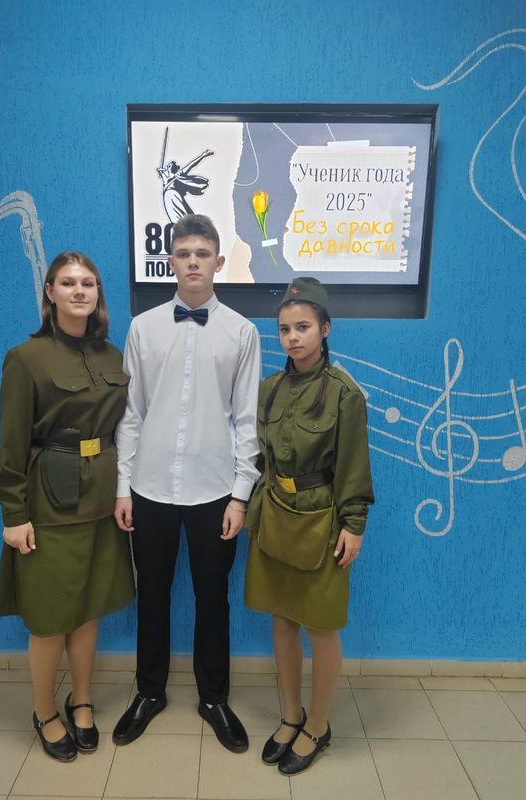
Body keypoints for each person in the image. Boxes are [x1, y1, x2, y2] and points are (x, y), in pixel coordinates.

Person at [112, 213, 261, 753]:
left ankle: (214, 698)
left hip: (215, 490)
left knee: (212, 598)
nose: (193, 262)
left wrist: (240, 496)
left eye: (202, 254)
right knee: (151, 594)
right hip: (149, 487)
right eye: (183, 254)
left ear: (219, 262)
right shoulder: (142, 328)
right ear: (170, 261)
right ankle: (149, 692)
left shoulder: (242, 332)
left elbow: (246, 420)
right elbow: (131, 413)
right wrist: (123, 486)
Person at [0, 251, 135, 762]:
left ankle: (82, 699)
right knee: (51, 615)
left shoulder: (112, 355)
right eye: (68, 283)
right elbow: (11, 443)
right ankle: (44, 711)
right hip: (50, 498)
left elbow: (124, 426)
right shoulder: (26, 358)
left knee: (89, 606)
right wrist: (14, 514)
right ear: (49, 292)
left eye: (88, 283)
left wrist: (125, 489)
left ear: (98, 294)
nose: (79, 291)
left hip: (102, 495)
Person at [244, 277, 374, 775]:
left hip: (322, 520)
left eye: (303, 327)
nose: (293, 337)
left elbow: (354, 466)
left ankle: (318, 725)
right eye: (284, 329)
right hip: (276, 513)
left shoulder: (344, 394)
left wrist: (353, 524)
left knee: (320, 626)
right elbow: (260, 458)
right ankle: (291, 715)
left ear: (325, 329)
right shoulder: (269, 390)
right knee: (282, 619)